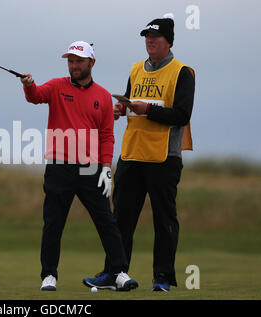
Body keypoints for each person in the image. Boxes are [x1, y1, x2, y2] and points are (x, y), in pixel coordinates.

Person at [83, 14, 195, 292]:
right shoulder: (136, 69)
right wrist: (123, 109)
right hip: (131, 155)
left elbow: (181, 115)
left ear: (168, 41)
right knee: (120, 218)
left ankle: (162, 277)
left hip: (164, 158)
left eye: (155, 37)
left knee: (164, 219)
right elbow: (134, 104)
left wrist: (148, 110)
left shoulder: (182, 72)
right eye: (147, 36)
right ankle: (114, 273)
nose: (150, 41)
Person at [21, 41, 138, 292]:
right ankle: (49, 275)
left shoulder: (103, 97)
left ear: (91, 63)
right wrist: (28, 84)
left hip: (90, 168)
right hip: (59, 165)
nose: (73, 66)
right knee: (54, 222)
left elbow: (107, 135)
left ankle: (118, 272)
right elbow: (36, 96)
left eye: (78, 61)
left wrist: (107, 167)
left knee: (106, 220)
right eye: (70, 61)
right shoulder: (56, 86)